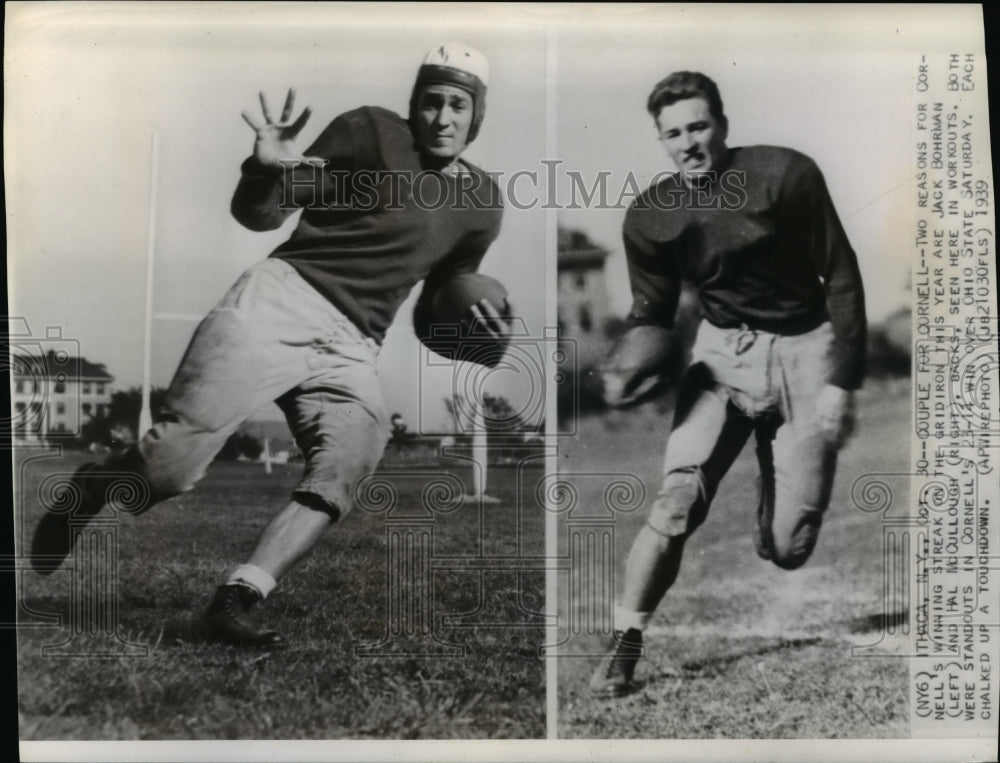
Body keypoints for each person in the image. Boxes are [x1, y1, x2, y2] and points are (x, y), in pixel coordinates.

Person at [31, 42, 510, 648]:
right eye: (432, 101)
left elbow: (434, 307)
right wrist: (267, 169)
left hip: (354, 343)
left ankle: (237, 598)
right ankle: (95, 486)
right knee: (166, 473)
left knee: (350, 460)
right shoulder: (371, 134)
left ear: (477, 115)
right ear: (413, 104)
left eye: (458, 106)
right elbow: (258, 216)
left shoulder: (481, 206)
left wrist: (476, 340)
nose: (443, 118)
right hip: (281, 300)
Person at [590, 71, 866, 696]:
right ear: (660, 139)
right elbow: (651, 316)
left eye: (698, 126)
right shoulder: (652, 214)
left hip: (805, 347)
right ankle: (625, 647)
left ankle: (777, 478)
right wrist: (625, 366)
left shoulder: (785, 175)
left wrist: (841, 382)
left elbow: (842, 278)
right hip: (723, 352)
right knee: (676, 502)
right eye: (673, 133)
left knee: (790, 548)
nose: (688, 143)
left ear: (722, 124)